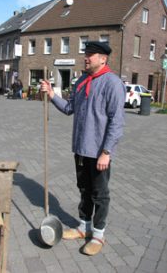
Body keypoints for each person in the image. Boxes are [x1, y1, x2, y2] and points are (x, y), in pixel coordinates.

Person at [41, 41, 126, 256]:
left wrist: (106, 152)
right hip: (80, 148)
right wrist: (51, 95)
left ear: (103, 59)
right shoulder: (81, 81)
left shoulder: (112, 83)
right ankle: (84, 227)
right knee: (84, 190)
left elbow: (117, 121)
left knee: (100, 194)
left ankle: (98, 234)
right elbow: (70, 108)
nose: (86, 57)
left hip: (99, 152)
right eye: (86, 54)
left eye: (91, 54)